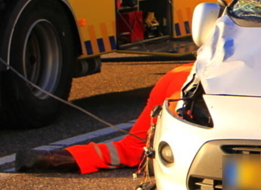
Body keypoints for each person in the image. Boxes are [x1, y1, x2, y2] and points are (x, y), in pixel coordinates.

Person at [14, 63, 192, 173]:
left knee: (132, 146)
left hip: (177, 76)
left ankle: (49, 157)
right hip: (192, 86)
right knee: (186, 147)